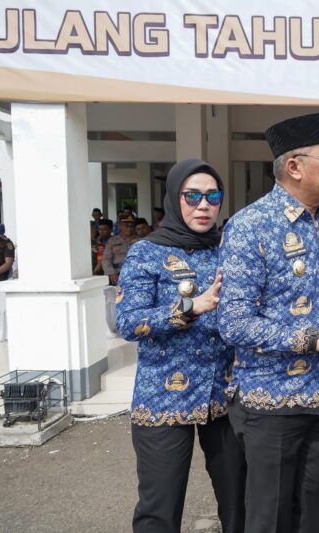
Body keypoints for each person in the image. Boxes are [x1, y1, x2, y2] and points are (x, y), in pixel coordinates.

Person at [218, 112, 319, 533]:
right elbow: (233, 323)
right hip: (273, 406)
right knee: (270, 518)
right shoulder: (250, 226)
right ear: (295, 167)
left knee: (316, 516)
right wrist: (316, 340)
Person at [116, 159, 245, 533]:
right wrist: (190, 307)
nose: (204, 205)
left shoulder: (228, 251)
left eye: (213, 196)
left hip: (223, 393)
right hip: (163, 396)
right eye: (193, 196)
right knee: (159, 506)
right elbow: (128, 322)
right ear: (175, 198)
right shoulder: (146, 252)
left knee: (239, 498)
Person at [103, 215, 138, 285]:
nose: (129, 229)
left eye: (131, 226)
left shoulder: (139, 241)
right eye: (126, 226)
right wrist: (112, 273)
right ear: (120, 226)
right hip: (117, 273)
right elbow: (106, 259)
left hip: (135, 274)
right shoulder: (112, 241)